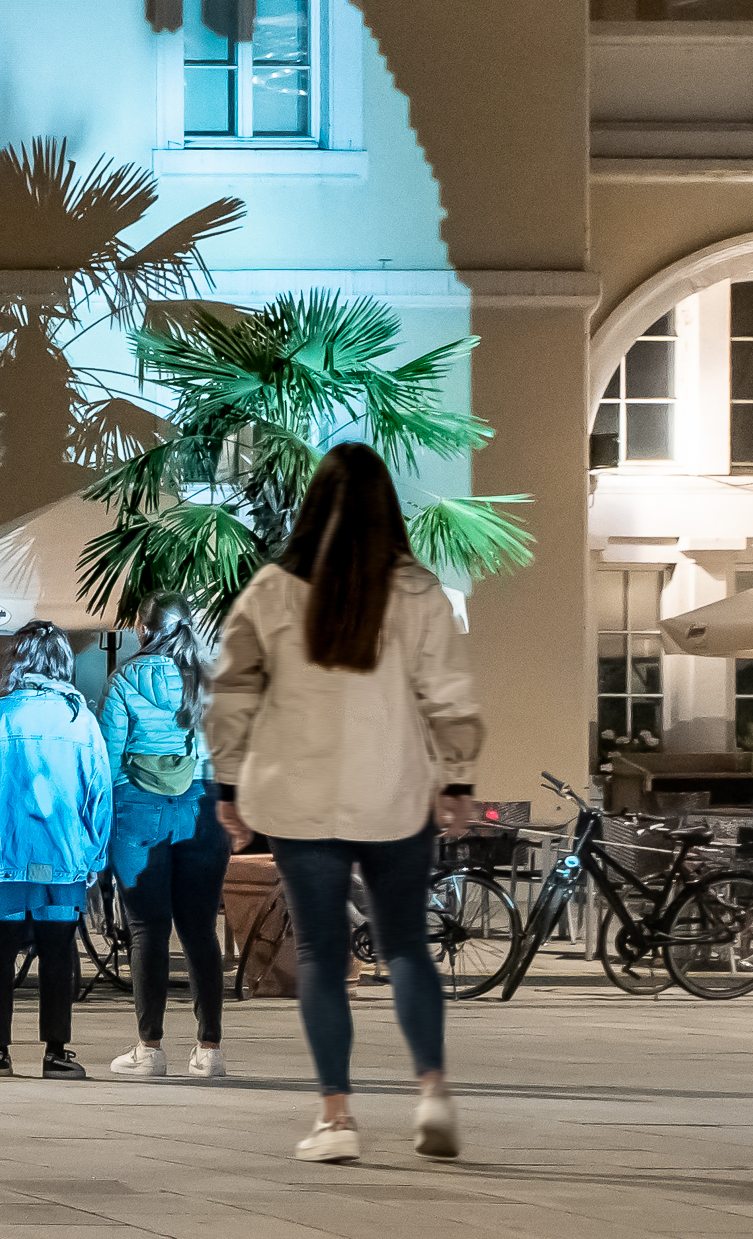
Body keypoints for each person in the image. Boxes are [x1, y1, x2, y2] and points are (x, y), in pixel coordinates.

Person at [203, 443, 483, 1166]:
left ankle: (336, 1117)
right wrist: (456, 778)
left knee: (324, 956)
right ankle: (433, 1093)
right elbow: (447, 693)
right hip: (394, 794)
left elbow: (233, 692)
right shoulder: (418, 593)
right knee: (406, 947)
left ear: (312, 508)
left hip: (300, 800)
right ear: (387, 509)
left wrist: (229, 784)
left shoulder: (271, 591)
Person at [0, 624, 117, 1077]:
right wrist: (95, 858)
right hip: (62, 862)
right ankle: (56, 1053)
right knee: (60, 954)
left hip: (3, 859)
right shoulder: (82, 721)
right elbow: (100, 796)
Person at [96, 624, 228, 1079]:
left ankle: (149, 1048)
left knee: (147, 928)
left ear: (142, 629)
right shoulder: (211, 677)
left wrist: (105, 815)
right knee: (200, 929)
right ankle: (209, 1048)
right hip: (203, 806)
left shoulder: (125, 678)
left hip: (137, 807)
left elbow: (109, 756)